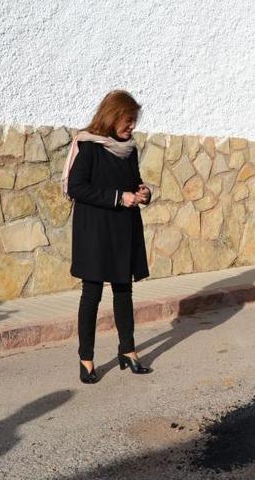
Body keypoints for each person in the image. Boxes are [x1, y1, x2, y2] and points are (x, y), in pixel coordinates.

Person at [65, 90, 152, 384]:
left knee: (123, 292)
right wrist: (119, 197)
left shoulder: (129, 148)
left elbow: (134, 181)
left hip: (123, 228)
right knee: (91, 293)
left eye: (134, 122)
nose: (131, 127)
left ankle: (128, 351)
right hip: (95, 230)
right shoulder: (88, 145)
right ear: (113, 116)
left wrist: (143, 192)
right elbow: (76, 188)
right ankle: (86, 359)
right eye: (128, 121)